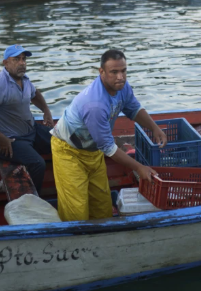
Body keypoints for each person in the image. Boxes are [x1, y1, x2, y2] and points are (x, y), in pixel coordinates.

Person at [50, 49, 167, 222]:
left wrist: (154, 127)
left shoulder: (123, 87)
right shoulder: (95, 104)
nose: (120, 76)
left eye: (123, 71)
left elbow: (134, 109)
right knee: (76, 211)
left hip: (93, 150)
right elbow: (109, 148)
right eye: (114, 72)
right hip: (69, 152)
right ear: (101, 72)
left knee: (103, 207)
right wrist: (139, 167)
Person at [0, 45, 55, 193]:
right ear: (6, 63)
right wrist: (2, 138)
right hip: (8, 140)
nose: (22, 63)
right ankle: (32, 204)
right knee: (38, 164)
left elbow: (35, 94)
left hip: (29, 131)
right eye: (16, 59)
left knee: (62, 143)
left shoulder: (24, 79)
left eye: (23, 59)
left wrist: (46, 111)